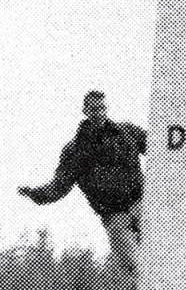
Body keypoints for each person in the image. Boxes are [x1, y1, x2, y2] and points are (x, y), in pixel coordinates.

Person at [18, 89, 146, 276]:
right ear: (85, 111)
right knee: (134, 265)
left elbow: (160, 146)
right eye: (94, 109)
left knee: (163, 248)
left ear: (106, 109)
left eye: (102, 108)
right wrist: (35, 193)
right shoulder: (75, 151)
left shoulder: (126, 132)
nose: (98, 113)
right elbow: (58, 187)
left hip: (140, 203)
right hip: (113, 215)